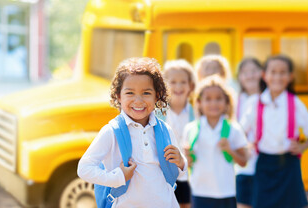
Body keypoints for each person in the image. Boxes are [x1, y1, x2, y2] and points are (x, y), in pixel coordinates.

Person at [77, 57, 187, 208]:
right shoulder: (111, 132)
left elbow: (179, 174)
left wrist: (181, 163)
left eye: (146, 93)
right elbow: (84, 168)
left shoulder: (165, 130)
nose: (138, 100)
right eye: (130, 93)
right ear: (118, 96)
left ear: (157, 95)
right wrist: (117, 177)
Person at [240, 55, 308, 208]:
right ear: (264, 75)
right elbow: (240, 130)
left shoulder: (295, 103)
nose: (277, 77)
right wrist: (247, 145)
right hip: (263, 163)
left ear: (290, 77)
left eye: (283, 72)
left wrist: (301, 147)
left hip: (289, 163)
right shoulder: (255, 102)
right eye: (273, 72)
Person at [183, 75, 248, 208]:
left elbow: (243, 161)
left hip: (226, 192)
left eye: (219, 99)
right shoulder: (191, 129)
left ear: (226, 103)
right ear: (199, 103)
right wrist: (187, 156)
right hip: (199, 191)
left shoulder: (233, 129)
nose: (213, 103)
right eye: (208, 99)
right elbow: (186, 165)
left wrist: (229, 150)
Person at [162, 59, 196, 208]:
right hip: (163, 174)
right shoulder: (158, 113)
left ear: (191, 86)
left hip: (187, 175)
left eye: (183, 82)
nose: (178, 86)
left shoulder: (196, 113)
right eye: (173, 82)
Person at [235, 58, 265, 208]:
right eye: (245, 72)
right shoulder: (235, 100)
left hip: (265, 164)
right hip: (243, 166)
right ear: (239, 77)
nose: (250, 76)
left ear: (262, 73)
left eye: (254, 71)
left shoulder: (268, 98)